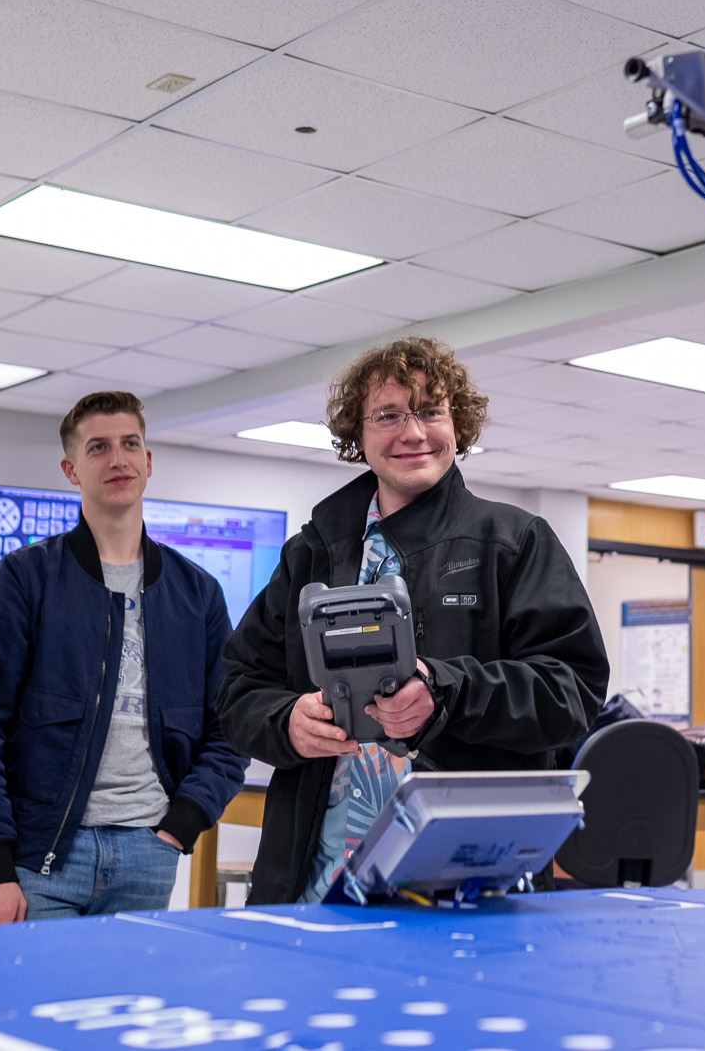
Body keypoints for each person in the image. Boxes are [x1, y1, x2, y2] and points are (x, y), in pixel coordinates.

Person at [218, 337, 608, 904]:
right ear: (357, 434)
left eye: (430, 411)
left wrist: (447, 691)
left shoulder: (514, 543)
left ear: (458, 425)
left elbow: (572, 692)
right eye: (388, 415)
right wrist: (287, 722)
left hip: (465, 887)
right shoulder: (312, 553)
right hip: (316, 887)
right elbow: (237, 689)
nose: (413, 432)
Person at [0, 391, 247, 939]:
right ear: (71, 470)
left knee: (124, 998)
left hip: (148, 853)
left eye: (130, 444)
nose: (118, 459)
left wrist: (181, 825)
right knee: (40, 998)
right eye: (98, 448)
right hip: (42, 857)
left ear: (148, 461)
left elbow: (230, 728)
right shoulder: (24, 580)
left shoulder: (198, 594)